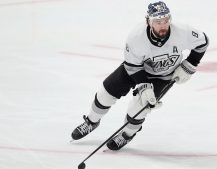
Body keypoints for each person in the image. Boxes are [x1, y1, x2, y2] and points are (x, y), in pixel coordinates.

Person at [71, 1, 209, 151]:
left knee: (138, 108)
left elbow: (203, 42)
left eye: (166, 20)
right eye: (158, 21)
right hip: (136, 69)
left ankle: (126, 135)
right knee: (105, 93)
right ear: (148, 21)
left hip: (163, 76)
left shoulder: (183, 31)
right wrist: (144, 86)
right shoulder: (136, 37)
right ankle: (91, 121)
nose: (163, 25)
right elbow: (132, 66)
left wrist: (190, 64)